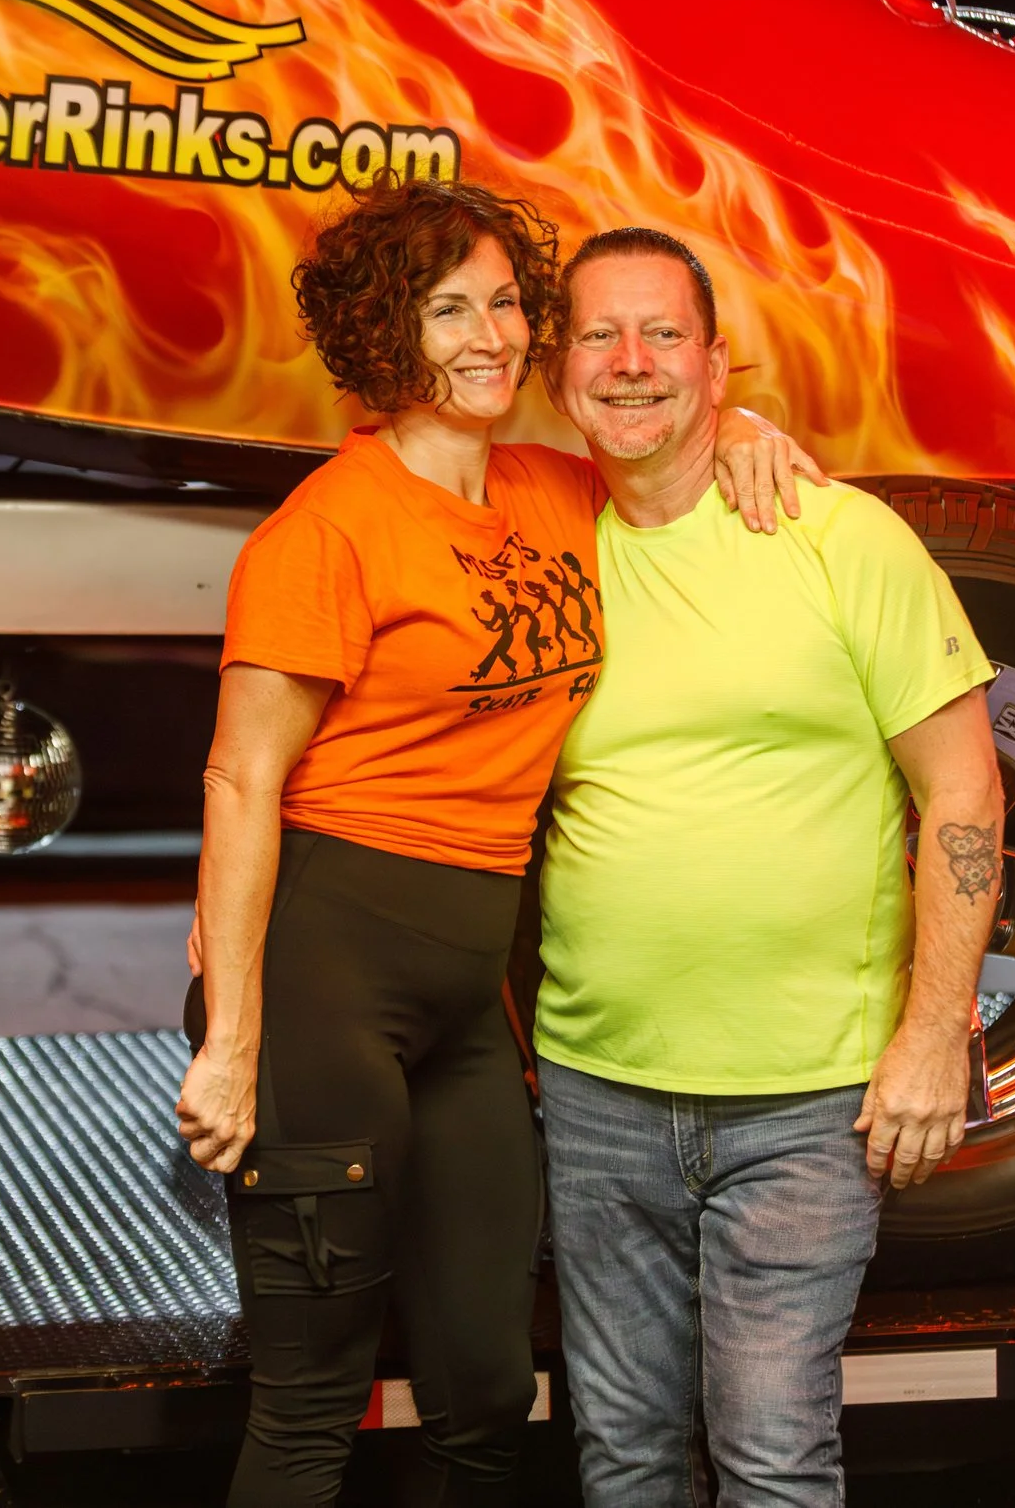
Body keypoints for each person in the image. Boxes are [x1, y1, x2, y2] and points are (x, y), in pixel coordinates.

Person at [173, 180, 824, 1508]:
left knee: (485, 1387)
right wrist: (232, 1042)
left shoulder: (550, 488)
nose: (491, 336)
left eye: (511, 305)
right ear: (381, 335)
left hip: (476, 992)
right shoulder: (328, 527)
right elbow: (243, 777)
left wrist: (746, 422)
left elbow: (669, 437)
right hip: (326, 974)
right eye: (449, 308)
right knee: (310, 1401)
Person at [535, 228, 1004, 1507]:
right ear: (553, 368)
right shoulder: (533, 539)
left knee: (771, 1459)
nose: (631, 364)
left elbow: (961, 789)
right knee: (621, 1461)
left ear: (715, 359)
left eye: (664, 335)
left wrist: (931, 1030)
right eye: (596, 335)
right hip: (594, 1093)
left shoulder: (835, 536)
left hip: (806, 1105)